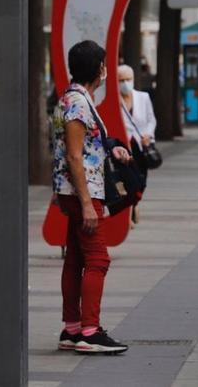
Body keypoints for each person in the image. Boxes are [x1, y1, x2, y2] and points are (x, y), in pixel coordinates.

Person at [51, 40, 131, 355]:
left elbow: (81, 148)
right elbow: (73, 156)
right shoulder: (77, 103)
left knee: (75, 258)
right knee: (98, 259)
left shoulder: (72, 98)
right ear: (98, 68)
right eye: (104, 65)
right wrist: (87, 203)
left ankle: (72, 329)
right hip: (83, 192)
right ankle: (89, 330)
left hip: (74, 191)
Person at [117, 64, 156, 225]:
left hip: (141, 145)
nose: (125, 83)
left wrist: (148, 134)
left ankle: (135, 205)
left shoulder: (143, 97)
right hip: (123, 146)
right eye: (121, 80)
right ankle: (129, 210)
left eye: (128, 79)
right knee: (128, 181)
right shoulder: (114, 99)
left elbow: (151, 119)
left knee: (142, 180)